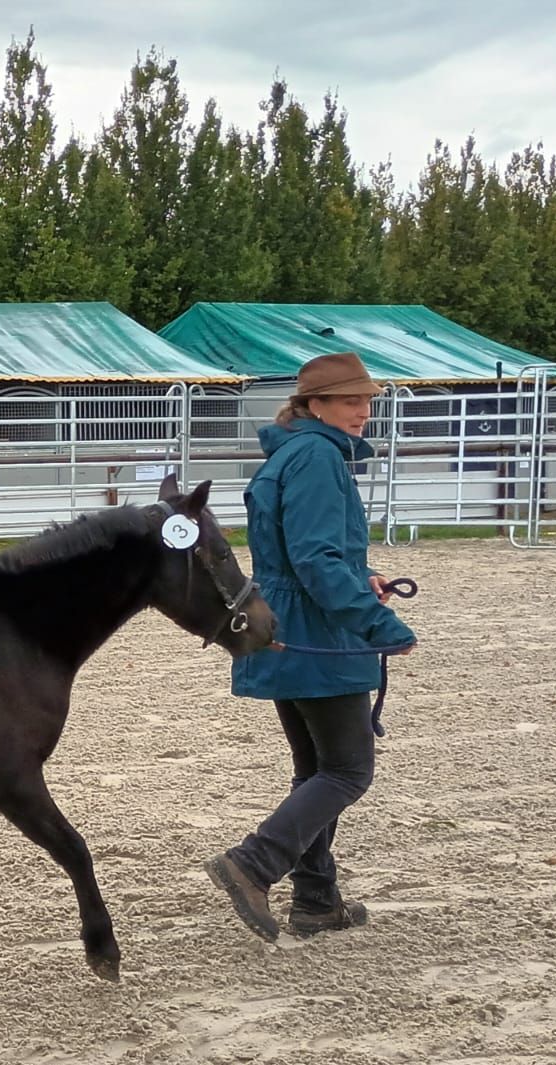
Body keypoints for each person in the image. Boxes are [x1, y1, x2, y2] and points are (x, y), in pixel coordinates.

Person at [205, 352, 416, 942]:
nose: (363, 411)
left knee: (315, 770)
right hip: (317, 630)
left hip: (282, 624)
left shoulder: (292, 454)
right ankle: (254, 862)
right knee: (348, 770)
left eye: (368, 400)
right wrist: (378, 624)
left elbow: (311, 553)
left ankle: (317, 899)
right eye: (351, 400)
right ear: (313, 405)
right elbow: (317, 560)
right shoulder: (320, 458)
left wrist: (363, 572)